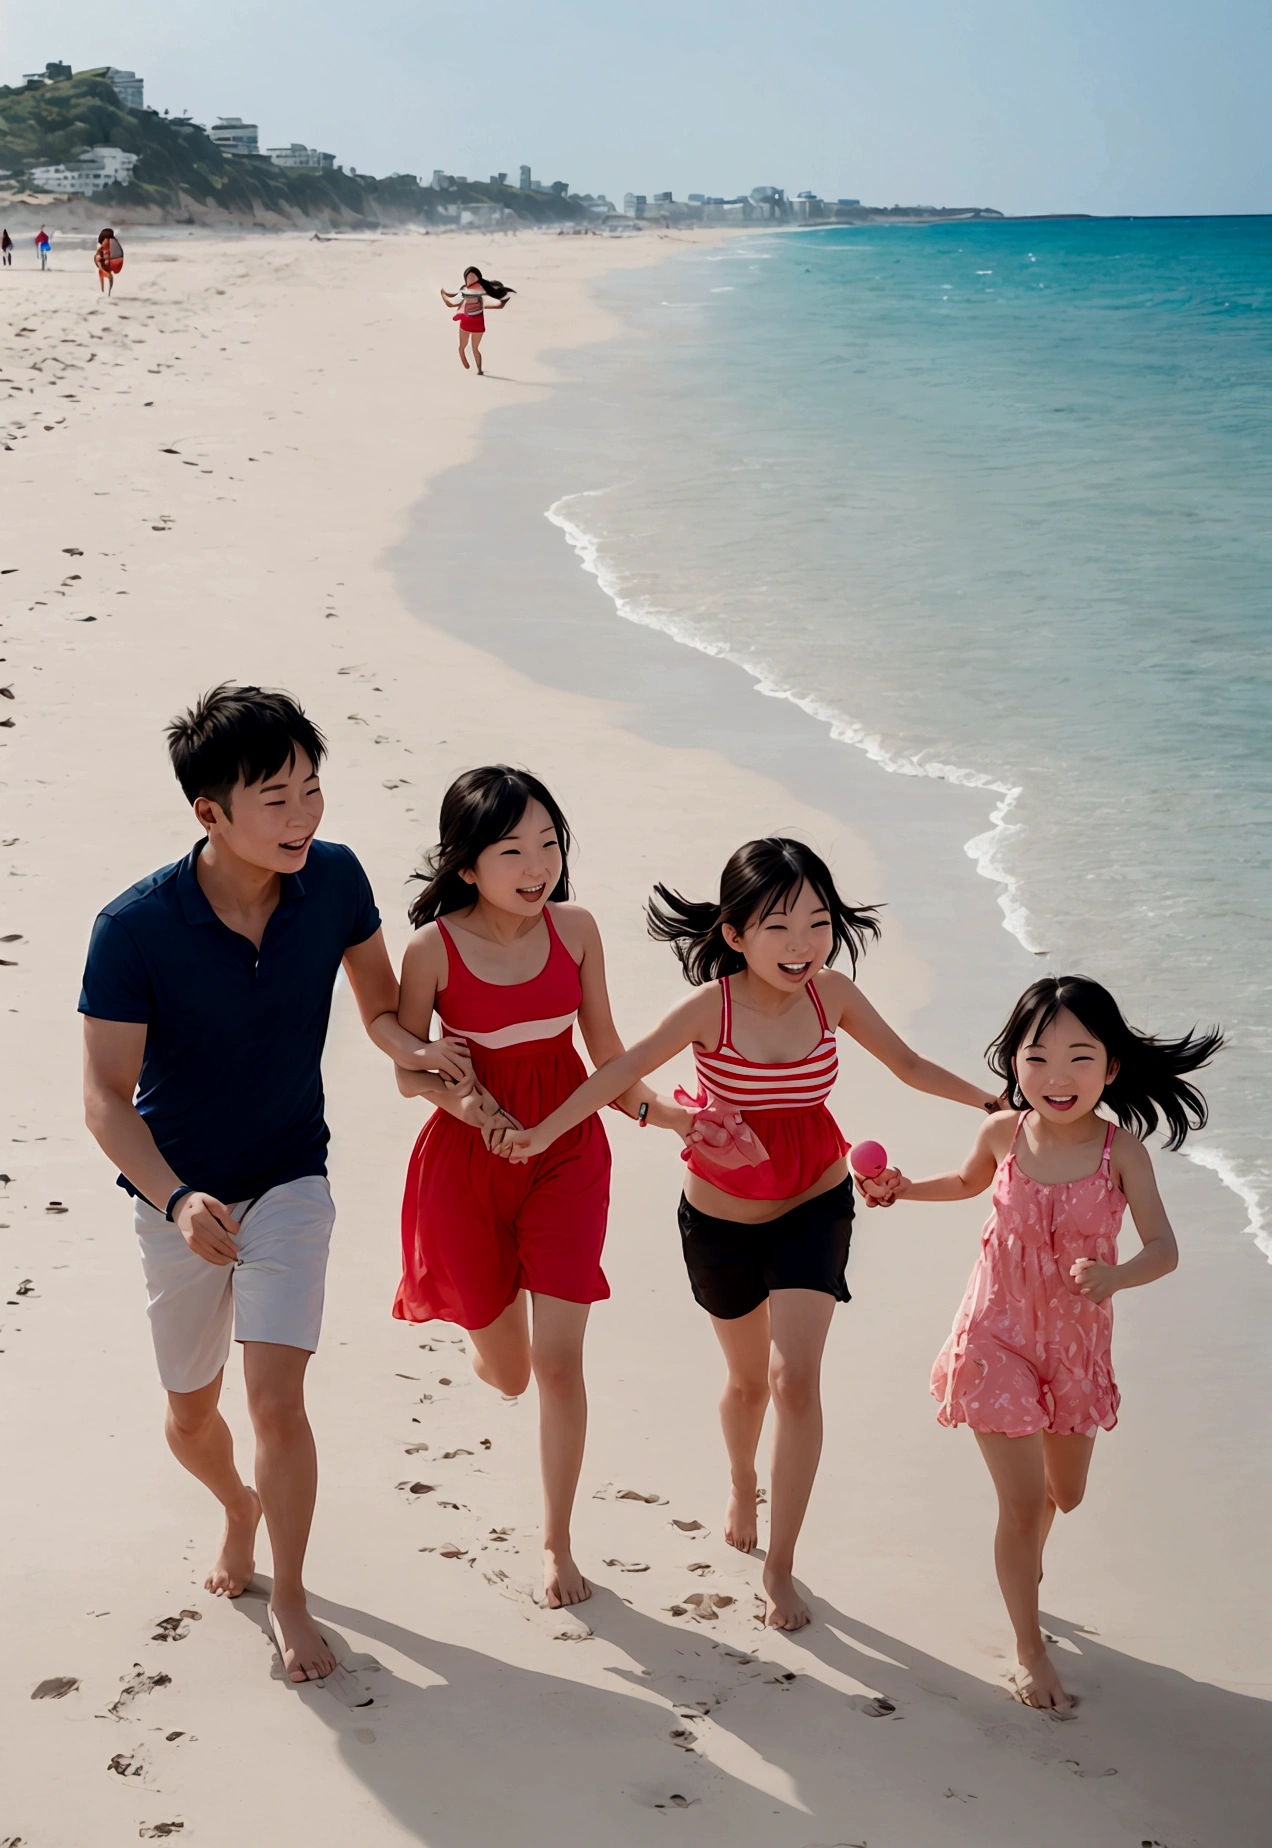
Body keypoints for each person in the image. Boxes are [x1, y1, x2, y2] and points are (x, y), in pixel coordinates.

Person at [494, 837, 1004, 1629]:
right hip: (721, 1223)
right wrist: (538, 1130)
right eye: (778, 927)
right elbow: (611, 1074)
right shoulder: (711, 1009)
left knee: (796, 1379)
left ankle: (781, 1566)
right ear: (734, 934)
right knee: (747, 1386)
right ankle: (742, 1478)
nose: (803, 946)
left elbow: (906, 1064)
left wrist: (992, 1106)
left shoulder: (831, 995)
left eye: (816, 922)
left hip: (816, 1202)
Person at [80, 685, 445, 1684]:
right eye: (276, 799)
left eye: (312, 790)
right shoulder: (135, 929)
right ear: (210, 813)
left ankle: (288, 1594)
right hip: (179, 1194)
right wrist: (178, 1199)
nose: (304, 817)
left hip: (292, 1172)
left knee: (276, 1395)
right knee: (192, 1414)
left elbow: (379, 1016)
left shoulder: (333, 882)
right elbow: (106, 1100)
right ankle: (235, 1504)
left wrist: (425, 1060)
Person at [860, 975, 1220, 1710]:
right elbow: (967, 1184)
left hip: (1075, 1346)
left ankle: (1024, 1569)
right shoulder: (1003, 1133)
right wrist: (901, 1188)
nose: (1058, 1078)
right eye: (1038, 1057)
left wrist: (1115, 1276)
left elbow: (1165, 1249)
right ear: (1014, 1064)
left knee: (1065, 1494)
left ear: (1112, 1068)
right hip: (995, 1332)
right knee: (1022, 1506)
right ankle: (1029, 1648)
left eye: (1080, 1058)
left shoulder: (1123, 1153)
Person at [392, 766, 667, 1608]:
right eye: (512, 849)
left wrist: (679, 1120)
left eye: (548, 843)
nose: (536, 863)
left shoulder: (577, 930)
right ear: (467, 864)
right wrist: (469, 1104)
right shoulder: (432, 949)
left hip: (568, 1153)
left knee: (557, 1361)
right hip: (469, 1162)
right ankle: (488, 1332)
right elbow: (409, 1076)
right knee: (508, 1372)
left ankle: (557, 1544)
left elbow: (611, 1056)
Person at [439, 265, 514, 375]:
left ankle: (479, 370)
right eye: (468, 278)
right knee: (463, 347)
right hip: (467, 321)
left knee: (474, 348)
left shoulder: (482, 289)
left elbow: (496, 300)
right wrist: (444, 295)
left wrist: (501, 301)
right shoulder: (465, 291)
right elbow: (450, 303)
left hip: (477, 323)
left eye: (473, 278)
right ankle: (465, 357)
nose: (471, 281)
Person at [94, 226, 122, 295]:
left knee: (110, 277)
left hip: (108, 263)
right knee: (107, 276)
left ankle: (108, 292)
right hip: (102, 263)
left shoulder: (111, 243)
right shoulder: (102, 246)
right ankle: (104, 291)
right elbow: (98, 257)